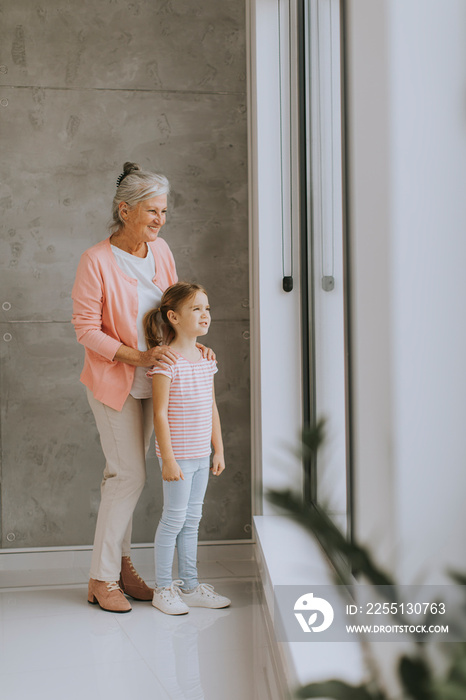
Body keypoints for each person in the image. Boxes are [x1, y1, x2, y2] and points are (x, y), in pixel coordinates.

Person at [72, 162, 212, 614]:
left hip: (157, 384)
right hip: (115, 382)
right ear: (125, 209)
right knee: (128, 475)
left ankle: (121, 566)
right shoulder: (96, 260)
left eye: (164, 212)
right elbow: (85, 329)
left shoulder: (162, 250)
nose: (160, 220)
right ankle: (101, 577)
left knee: (125, 479)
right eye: (152, 212)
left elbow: (177, 310)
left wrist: (194, 349)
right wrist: (139, 357)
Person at [144, 282, 231, 614]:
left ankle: (191, 587)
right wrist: (168, 459)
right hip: (178, 456)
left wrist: (218, 450)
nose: (205, 314)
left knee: (192, 519)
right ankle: (163, 588)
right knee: (173, 520)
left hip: (201, 454)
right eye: (196, 309)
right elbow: (159, 414)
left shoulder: (206, 359)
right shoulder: (167, 362)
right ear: (173, 317)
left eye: (207, 308)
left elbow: (212, 407)